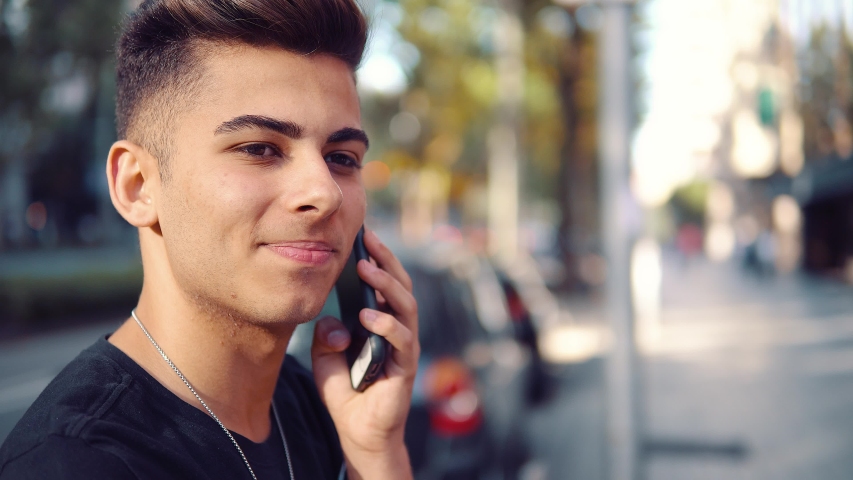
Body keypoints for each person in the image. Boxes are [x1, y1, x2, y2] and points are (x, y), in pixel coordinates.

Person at [0, 0, 419, 478]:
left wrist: (378, 457)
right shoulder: (75, 463)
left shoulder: (318, 407)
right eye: (260, 149)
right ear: (137, 186)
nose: (324, 193)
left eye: (342, 157)